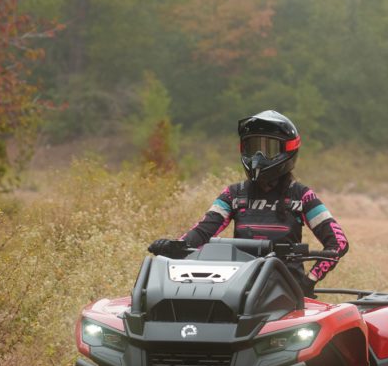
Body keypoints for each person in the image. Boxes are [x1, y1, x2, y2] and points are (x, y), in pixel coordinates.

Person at [148, 110, 348, 296]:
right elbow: (202, 231)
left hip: (286, 293)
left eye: (268, 149)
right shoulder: (234, 194)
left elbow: (338, 243)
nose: (258, 158)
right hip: (238, 290)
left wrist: (309, 280)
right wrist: (176, 246)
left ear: (288, 150)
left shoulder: (301, 196)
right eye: (253, 149)